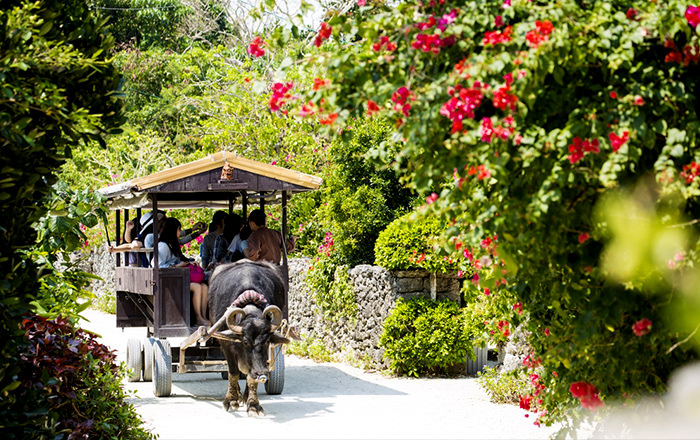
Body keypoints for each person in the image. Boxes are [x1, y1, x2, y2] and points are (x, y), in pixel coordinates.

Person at [157, 217, 210, 326]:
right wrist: (177, 266)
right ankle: (198, 317)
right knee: (197, 287)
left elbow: (180, 258)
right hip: (168, 281)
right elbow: (159, 266)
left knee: (204, 287)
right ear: (172, 230)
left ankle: (203, 317)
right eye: (179, 229)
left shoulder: (172, 243)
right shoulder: (163, 246)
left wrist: (189, 262)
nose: (180, 232)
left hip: (178, 278)